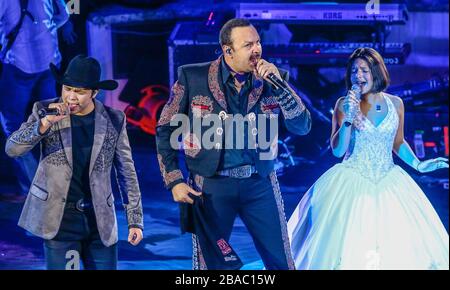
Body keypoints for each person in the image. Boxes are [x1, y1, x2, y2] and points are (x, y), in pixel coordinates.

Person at [156, 18, 311, 270]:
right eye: (248, 44)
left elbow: (302, 126)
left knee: (281, 262)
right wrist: (174, 180)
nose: (257, 49)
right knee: (210, 266)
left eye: (258, 42)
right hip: (211, 185)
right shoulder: (193, 76)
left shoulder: (273, 80)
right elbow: (165, 129)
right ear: (228, 51)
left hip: (259, 183)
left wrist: (280, 86)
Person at [287, 47, 449, 270]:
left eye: (363, 70)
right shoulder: (343, 104)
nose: (358, 76)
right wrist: (348, 119)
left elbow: (398, 142)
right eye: (354, 71)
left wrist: (418, 165)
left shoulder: (396, 104)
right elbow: (337, 151)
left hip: (390, 179)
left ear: (376, 71)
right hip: (352, 177)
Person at [5, 55, 144, 270]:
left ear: (94, 93)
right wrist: (42, 125)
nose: (70, 97)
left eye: (79, 92)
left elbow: (126, 170)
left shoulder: (114, 119)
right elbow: (12, 149)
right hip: (60, 222)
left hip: (100, 222)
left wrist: (135, 220)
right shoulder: (44, 110)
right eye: (67, 89)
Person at [0, 0, 69, 200]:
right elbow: (63, 15)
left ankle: (33, 190)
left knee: (11, 125)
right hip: (49, 62)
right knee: (52, 124)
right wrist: (44, 33)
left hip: (19, 64)